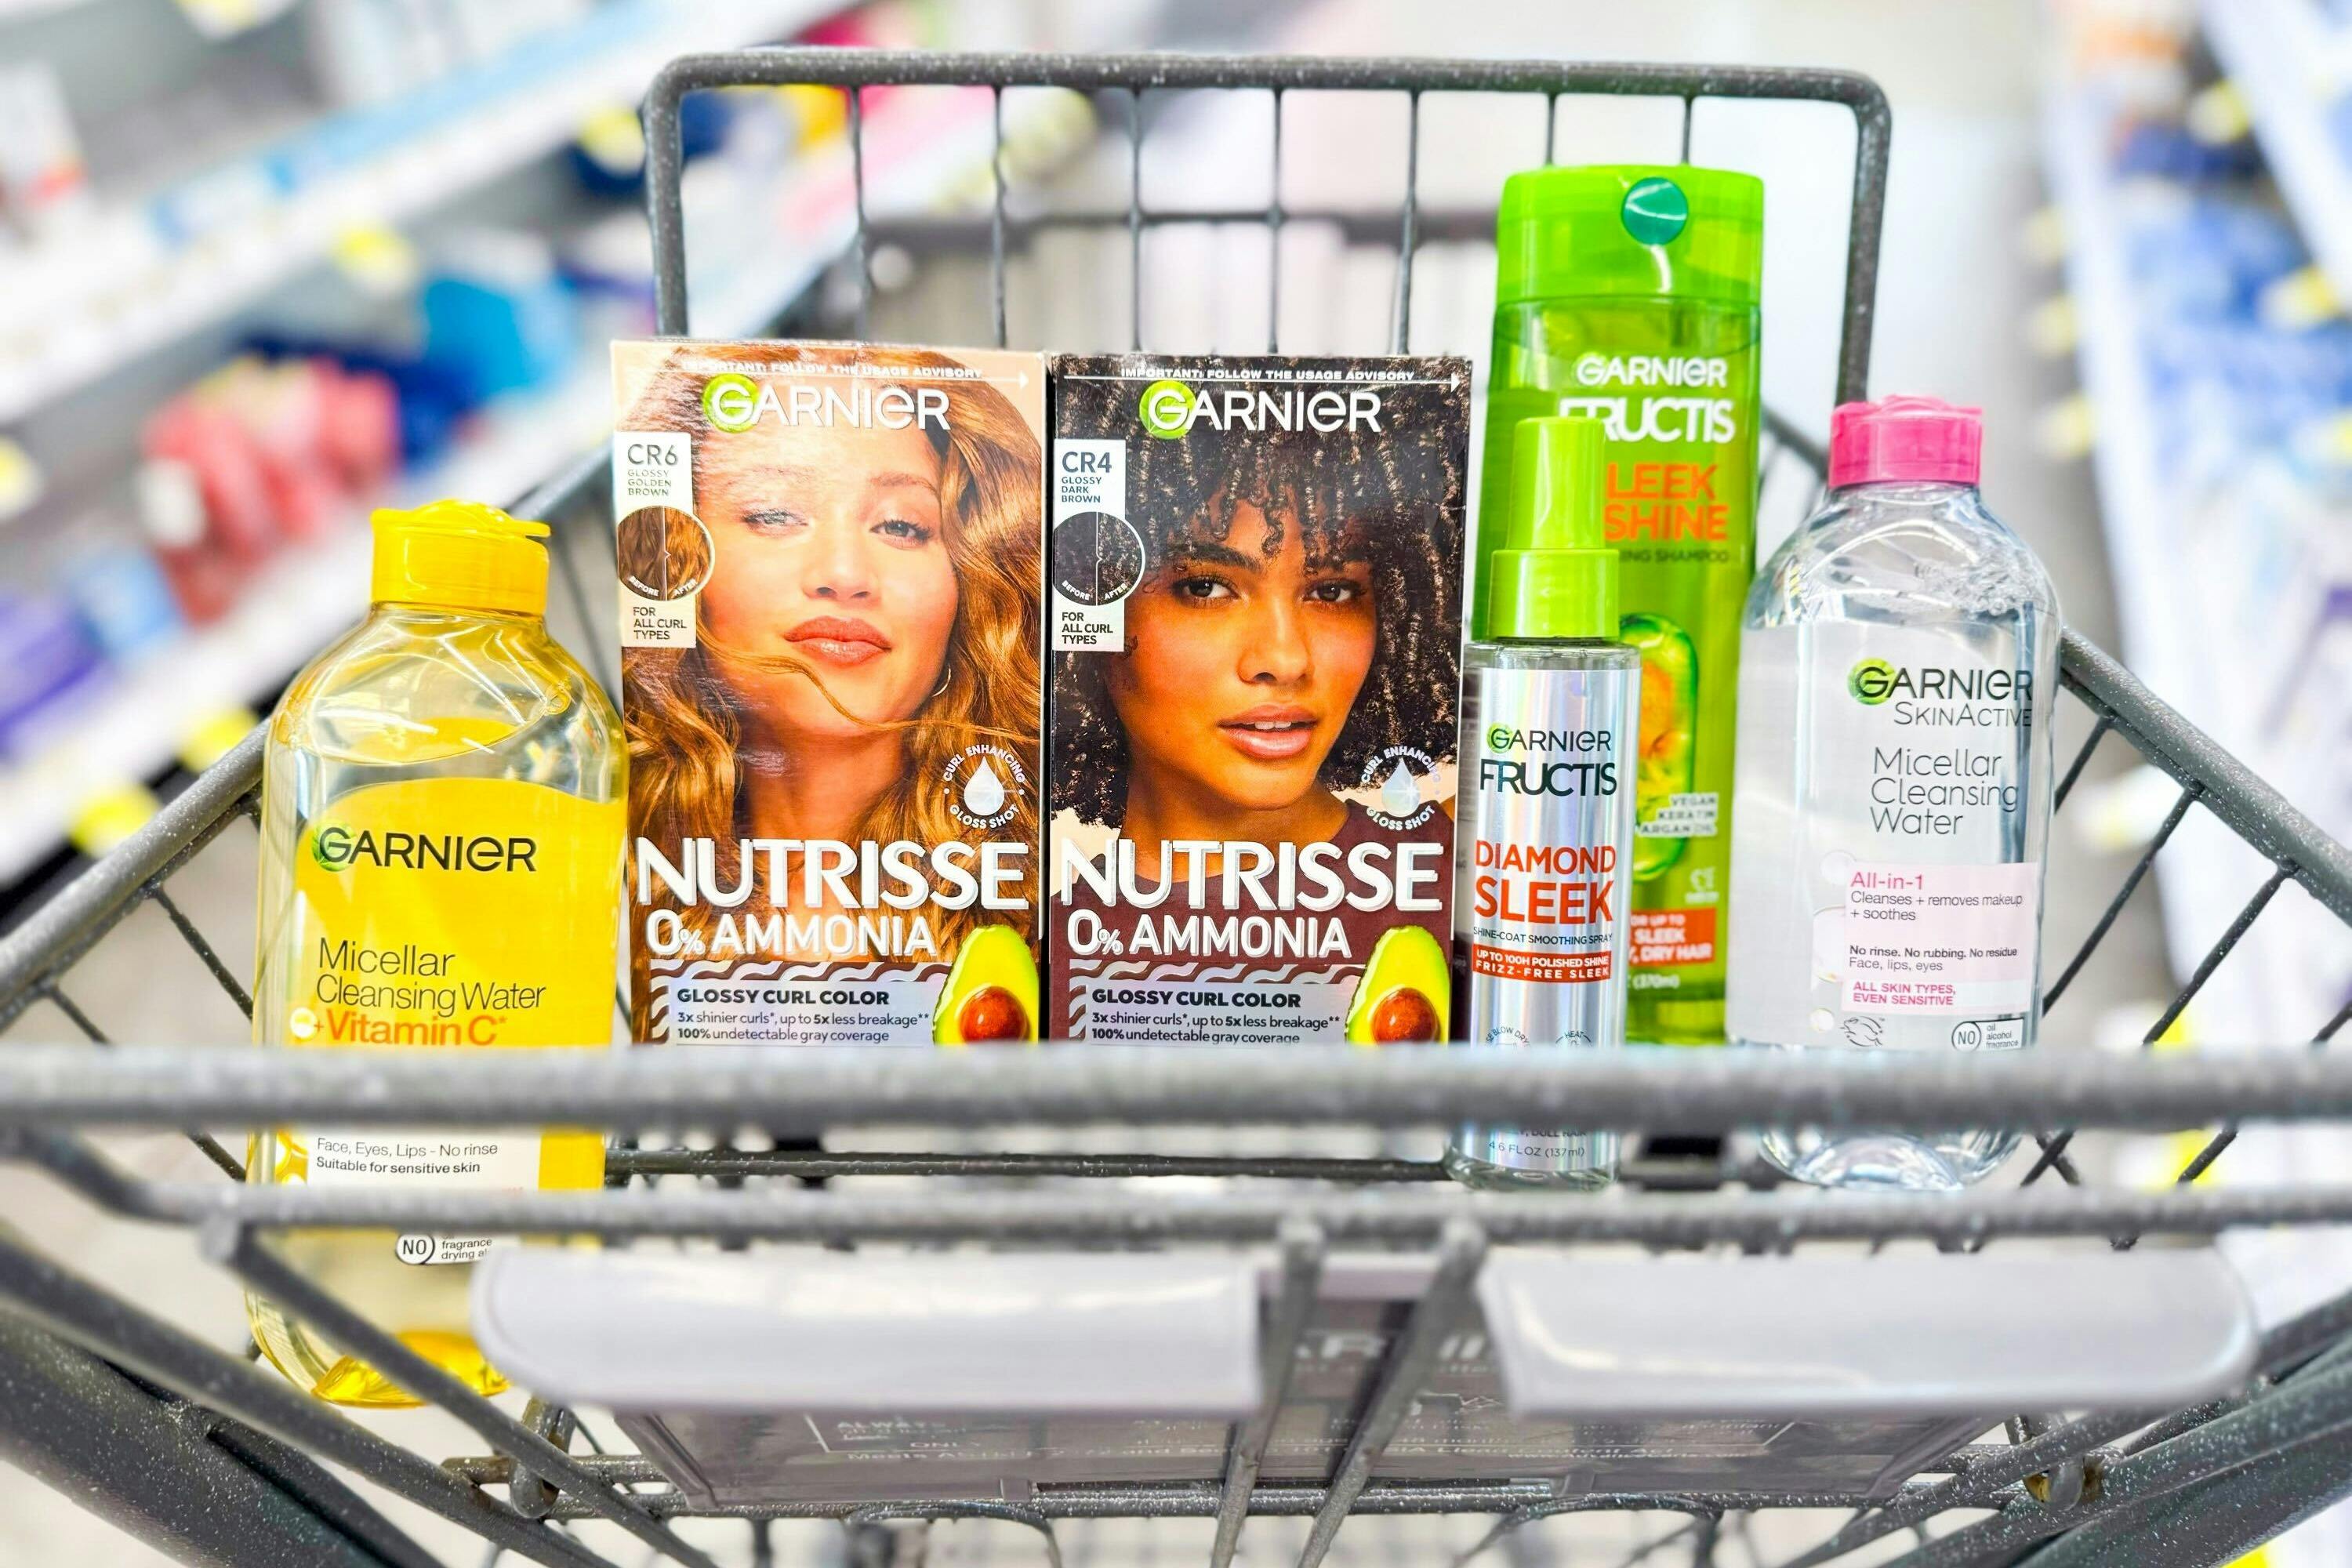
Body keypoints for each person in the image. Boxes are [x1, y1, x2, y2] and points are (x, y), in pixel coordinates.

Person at [619, 343, 1041, 1040]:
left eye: (901, 526)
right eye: (774, 515)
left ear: (972, 583)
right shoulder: (617, 885)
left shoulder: (1058, 907)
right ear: (678, 560)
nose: (844, 574)